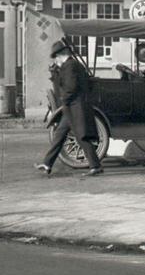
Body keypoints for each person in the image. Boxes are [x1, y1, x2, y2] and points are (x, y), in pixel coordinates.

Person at [37, 40, 103, 177]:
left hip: (75, 107)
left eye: (56, 57)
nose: (55, 60)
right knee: (59, 135)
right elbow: (62, 84)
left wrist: (63, 100)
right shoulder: (69, 66)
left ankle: (96, 166)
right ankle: (47, 163)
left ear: (60, 55)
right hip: (71, 108)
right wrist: (55, 71)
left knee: (81, 137)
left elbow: (70, 87)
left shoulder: (70, 66)